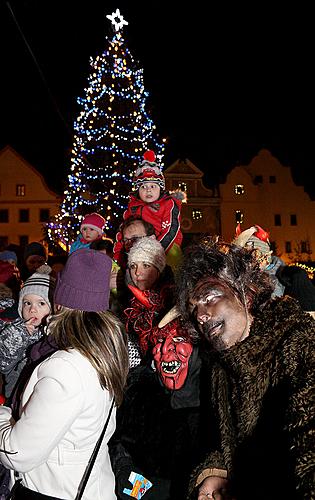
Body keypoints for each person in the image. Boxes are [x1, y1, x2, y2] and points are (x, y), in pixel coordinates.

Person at [176, 237, 314, 500]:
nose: (201, 315)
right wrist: (213, 472)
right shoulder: (219, 367)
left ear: (246, 294)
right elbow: (216, 439)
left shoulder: (298, 341)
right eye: (194, 310)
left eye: (210, 297)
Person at [0, 248, 129, 499]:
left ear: (59, 301)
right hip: (89, 485)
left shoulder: (66, 366)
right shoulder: (101, 351)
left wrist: (3, 414)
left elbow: (18, 453)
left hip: (56, 490)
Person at [109, 309, 210, 500]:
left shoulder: (214, 393)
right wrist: (126, 472)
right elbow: (117, 441)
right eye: (161, 341)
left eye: (178, 340)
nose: (165, 350)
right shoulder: (138, 389)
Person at [113, 151, 185, 271]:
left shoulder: (169, 203)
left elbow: (171, 230)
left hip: (167, 247)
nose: (148, 190)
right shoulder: (133, 206)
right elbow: (124, 230)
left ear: (160, 188)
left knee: (170, 271)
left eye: (153, 186)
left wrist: (155, 251)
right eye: (143, 187)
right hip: (140, 247)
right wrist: (118, 255)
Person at [0, 265, 55, 400]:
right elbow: (3, 364)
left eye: (41, 303)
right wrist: (18, 335)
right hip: (16, 394)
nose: (32, 309)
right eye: (27, 303)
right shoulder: (15, 329)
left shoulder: (55, 332)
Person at [124, 237, 175, 367]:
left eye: (146, 265)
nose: (137, 272)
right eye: (133, 266)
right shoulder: (127, 307)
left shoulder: (174, 304)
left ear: (160, 269)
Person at [233, 224, 286, 297]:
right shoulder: (242, 277)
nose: (248, 264)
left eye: (251, 259)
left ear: (265, 258)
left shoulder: (273, 282)